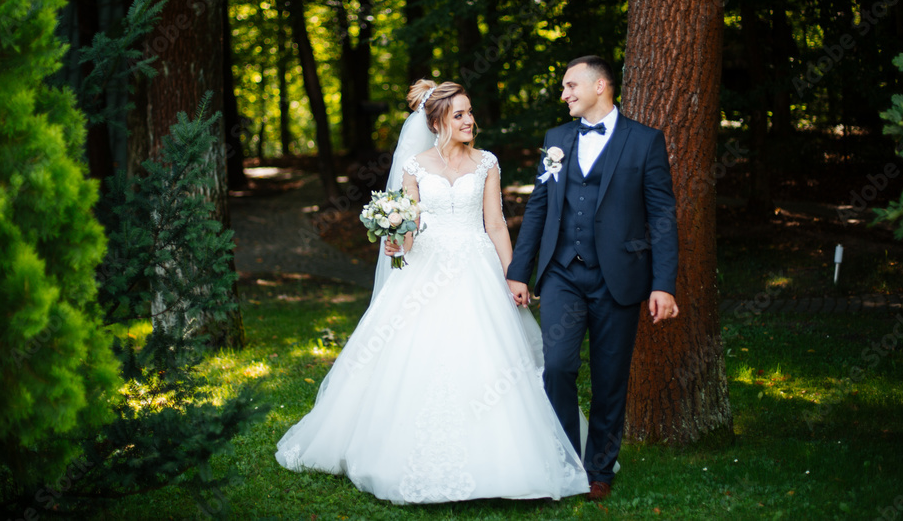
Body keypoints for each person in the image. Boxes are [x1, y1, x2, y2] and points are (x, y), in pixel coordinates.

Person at [275, 80, 590, 504]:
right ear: (438, 120)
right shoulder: (415, 166)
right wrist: (395, 240)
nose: (470, 120)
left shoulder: (486, 163)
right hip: (425, 268)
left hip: (477, 266)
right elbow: (410, 227)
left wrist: (514, 274)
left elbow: (495, 224)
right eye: (459, 114)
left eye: (470, 112)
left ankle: (507, 459)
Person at [506, 55, 680, 502]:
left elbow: (661, 214)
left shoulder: (645, 141)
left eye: (570, 86)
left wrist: (663, 284)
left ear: (600, 85)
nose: (564, 95)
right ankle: (565, 458)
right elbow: (539, 209)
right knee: (558, 366)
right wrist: (518, 273)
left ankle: (598, 469)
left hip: (618, 278)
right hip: (563, 273)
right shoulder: (557, 139)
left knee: (610, 377)